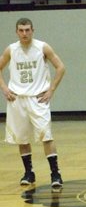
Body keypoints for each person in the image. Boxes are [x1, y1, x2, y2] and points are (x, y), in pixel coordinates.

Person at [0, 18, 65, 189]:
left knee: (46, 135)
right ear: (16, 32)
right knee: (21, 138)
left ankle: (55, 174)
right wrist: (4, 88)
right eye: (21, 30)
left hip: (38, 98)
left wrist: (51, 90)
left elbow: (60, 67)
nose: (24, 33)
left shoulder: (42, 47)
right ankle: (29, 173)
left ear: (32, 30)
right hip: (17, 99)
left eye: (27, 30)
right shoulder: (11, 50)